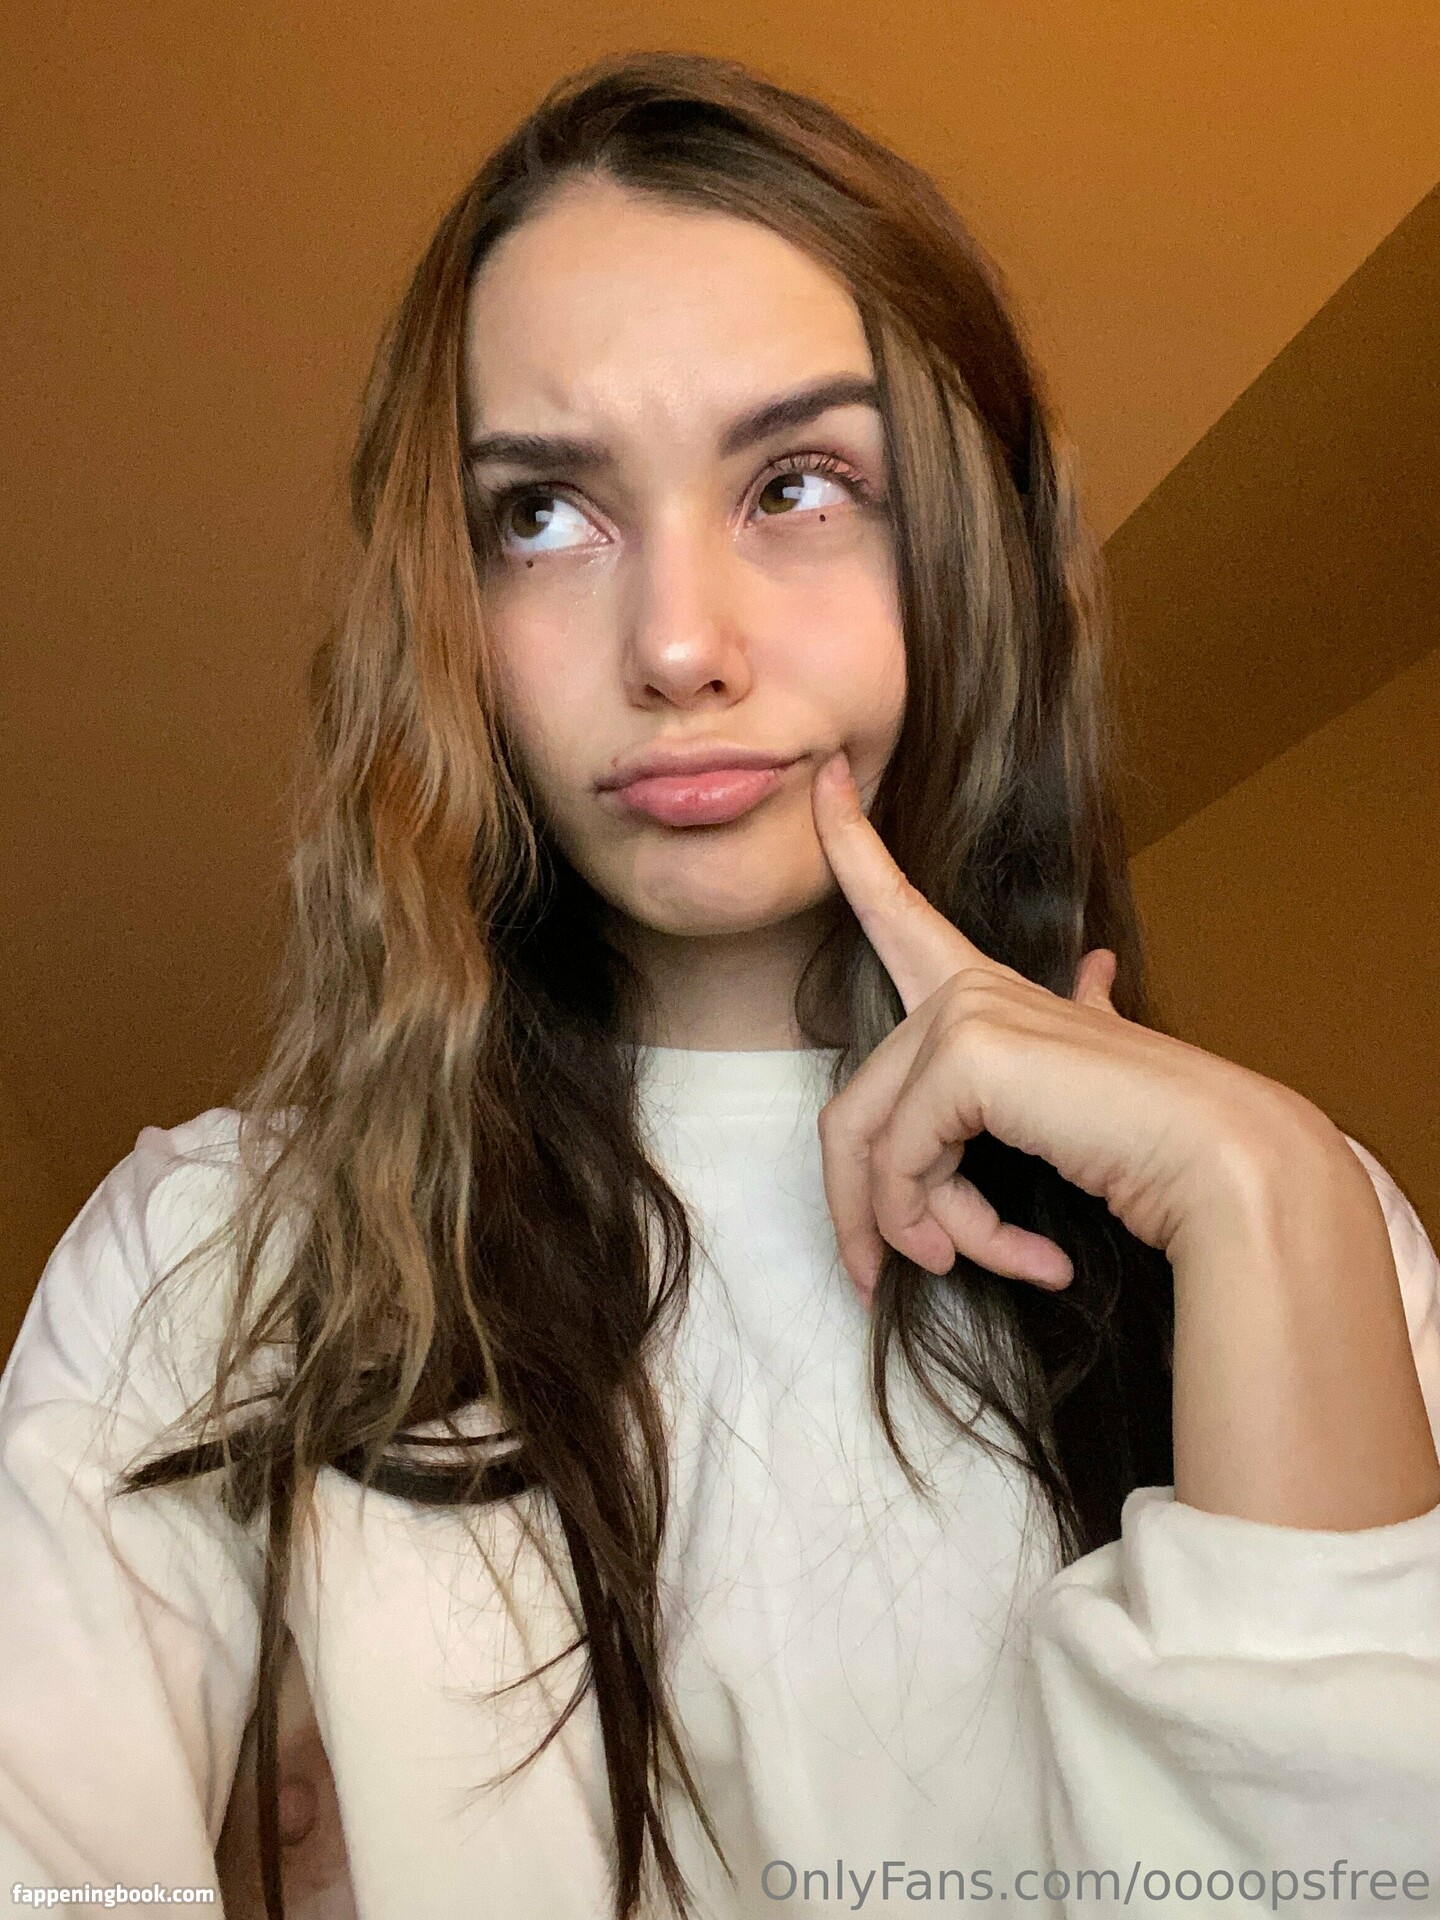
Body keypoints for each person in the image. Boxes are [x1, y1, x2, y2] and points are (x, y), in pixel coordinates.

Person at [2, 50, 1439, 1920]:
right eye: (542, 513)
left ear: (975, 552)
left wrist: (1270, 1188)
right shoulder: (205, 1264)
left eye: (800, 484)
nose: (677, 646)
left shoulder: (1297, 1239)